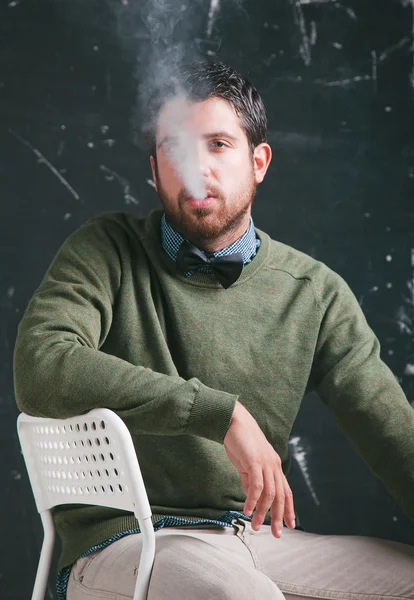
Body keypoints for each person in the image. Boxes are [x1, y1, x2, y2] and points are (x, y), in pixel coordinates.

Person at [14, 60, 414, 600]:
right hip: (127, 543)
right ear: (154, 170)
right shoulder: (106, 250)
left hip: (254, 538)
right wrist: (220, 413)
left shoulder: (313, 292)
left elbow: (392, 434)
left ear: (259, 161)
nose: (197, 167)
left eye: (219, 144)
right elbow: (42, 365)